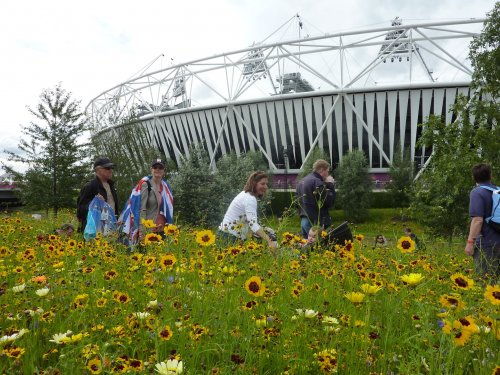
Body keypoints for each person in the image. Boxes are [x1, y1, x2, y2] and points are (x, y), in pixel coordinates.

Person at [218, 171, 277, 253]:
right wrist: (270, 241)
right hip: (229, 237)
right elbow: (253, 224)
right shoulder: (250, 198)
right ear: (254, 183)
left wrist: (264, 230)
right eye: (262, 184)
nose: (266, 187)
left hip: (228, 235)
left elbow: (249, 222)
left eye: (266, 184)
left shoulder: (245, 195)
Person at [118, 159, 174, 243]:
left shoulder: (166, 187)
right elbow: (141, 209)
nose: (158, 169)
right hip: (149, 230)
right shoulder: (145, 184)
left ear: (164, 171)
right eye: (155, 167)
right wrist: (141, 231)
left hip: (164, 230)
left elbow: (169, 209)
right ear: (151, 169)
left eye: (160, 167)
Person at [465, 163, 500, 282]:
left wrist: (470, 243)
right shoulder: (498, 191)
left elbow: (477, 220)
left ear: (474, 178)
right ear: (491, 176)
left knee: (486, 282)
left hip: (487, 244)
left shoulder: (477, 192)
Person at [77, 157, 119, 233]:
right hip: (96, 230)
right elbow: (81, 210)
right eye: (107, 168)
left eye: (111, 168)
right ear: (98, 170)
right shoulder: (89, 186)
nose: (110, 170)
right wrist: (95, 203)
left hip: (111, 227)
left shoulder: (111, 185)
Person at [296, 159, 336, 239]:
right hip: (314, 222)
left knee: (306, 248)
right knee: (317, 247)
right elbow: (328, 201)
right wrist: (330, 184)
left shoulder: (302, 181)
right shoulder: (316, 181)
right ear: (322, 170)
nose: (328, 174)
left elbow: (297, 202)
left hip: (303, 219)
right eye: (327, 171)